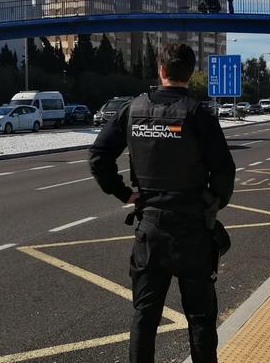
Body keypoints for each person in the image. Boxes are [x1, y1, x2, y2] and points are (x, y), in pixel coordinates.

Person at [89, 42, 236, 363]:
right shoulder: (199, 114)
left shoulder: (133, 109)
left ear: (160, 69)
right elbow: (225, 171)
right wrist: (212, 204)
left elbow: (99, 156)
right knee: (200, 318)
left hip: (150, 231)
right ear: (191, 72)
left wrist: (124, 193)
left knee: (145, 317)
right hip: (193, 232)